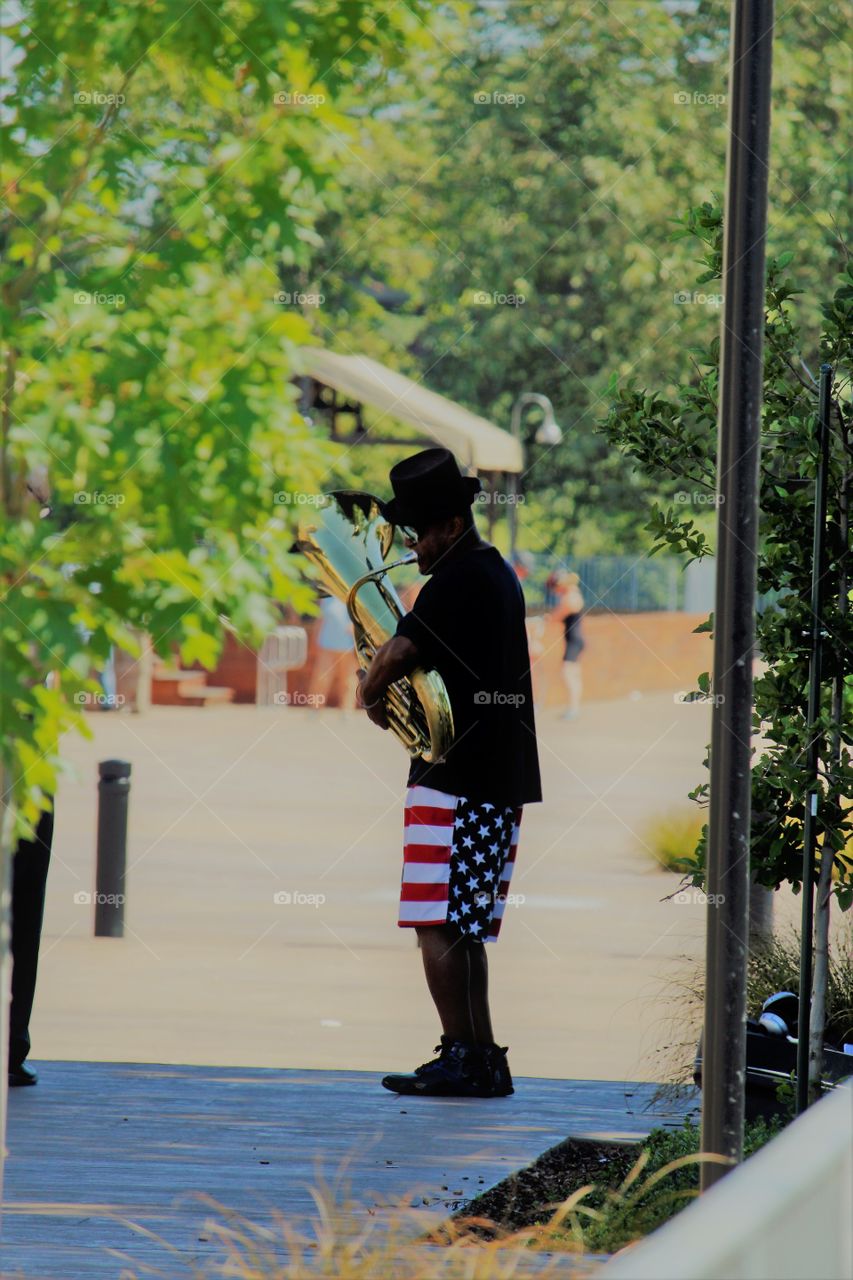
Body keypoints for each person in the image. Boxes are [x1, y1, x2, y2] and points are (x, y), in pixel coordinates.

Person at [356, 447, 542, 1098]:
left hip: (461, 777)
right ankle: (478, 1056)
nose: (411, 543)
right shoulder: (487, 572)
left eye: (419, 531)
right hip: (482, 776)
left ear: (452, 526)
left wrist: (371, 693)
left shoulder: (461, 577)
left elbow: (399, 649)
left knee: (438, 920)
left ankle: (468, 1057)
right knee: (458, 923)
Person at [312, 594, 357, 711]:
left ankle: (346, 710)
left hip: (346, 645)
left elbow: (358, 619)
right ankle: (315, 708)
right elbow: (320, 619)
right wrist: (315, 639)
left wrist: (353, 626)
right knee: (321, 678)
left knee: (347, 679)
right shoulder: (326, 598)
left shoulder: (352, 597)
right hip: (326, 644)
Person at [554, 572, 585, 720]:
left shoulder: (572, 598)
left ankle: (573, 708)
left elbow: (559, 614)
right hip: (574, 640)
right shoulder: (571, 597)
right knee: (573, 674)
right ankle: (574, 707)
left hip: (574, 641)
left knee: (567, 673)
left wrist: (549, 618)